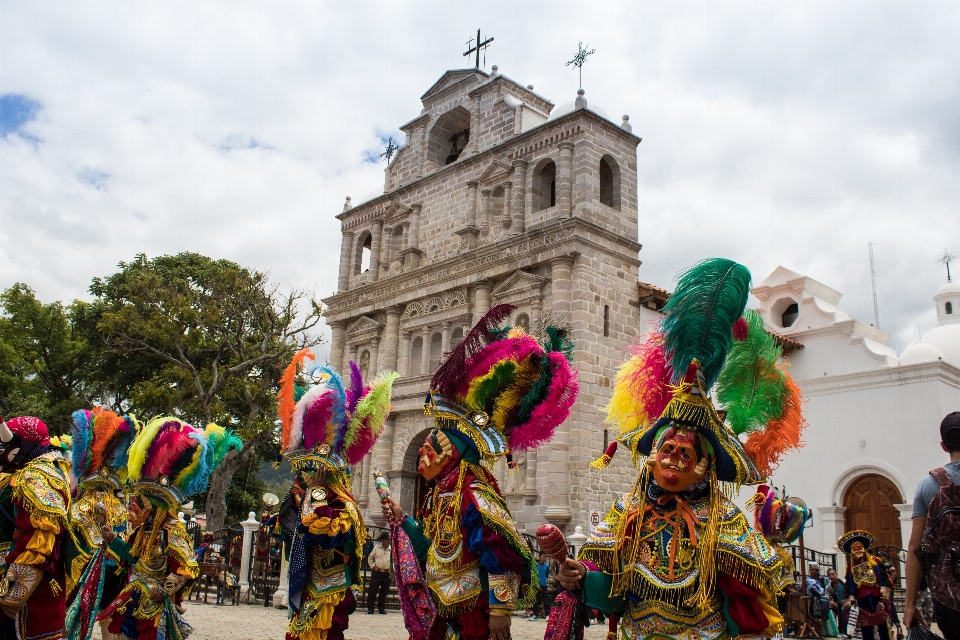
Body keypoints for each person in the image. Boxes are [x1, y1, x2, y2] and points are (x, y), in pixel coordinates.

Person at [558, 259, 799, 640]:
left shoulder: (723, 522)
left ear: (704, 466)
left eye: (686, 454)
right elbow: (614, 593)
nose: (674, 457)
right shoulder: (627, 514)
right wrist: (582, 577)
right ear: (652, 457)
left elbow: (746, 606)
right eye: (668, 448)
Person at [380, 304, 578, 640]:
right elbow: (433, 548)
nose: (421, 459)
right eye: (422, 452)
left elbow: (499, 552)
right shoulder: (441, 495)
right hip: (442, 607)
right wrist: (404, 519)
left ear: (453, 456)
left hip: (475, 614)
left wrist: (500, 611)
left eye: (431, 450)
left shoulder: (474, 492)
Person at [274, 351, 397, 640]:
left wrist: (315, 492)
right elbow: (289, 532)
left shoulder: (340, 504)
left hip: (327, 590)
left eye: (309, 471)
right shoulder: (306, 496)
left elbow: (319, 531)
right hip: (308, 587)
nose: (302, 477)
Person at [98, 419, 241, 640]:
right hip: (134, 596)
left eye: (139, 501)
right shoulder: (143, 531)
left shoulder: (171, 531)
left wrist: (163, 590)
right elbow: (131, 557)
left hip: (154, 607)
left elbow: (187, 568)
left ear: (152, 506)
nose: (132, 505)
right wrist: (111, 540)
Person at [63, 409, 137, 640]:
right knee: (109, 617)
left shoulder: (77, 508)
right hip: (114, 570)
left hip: (82, 571)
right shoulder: (122, 510)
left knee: (72, 614)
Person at [0, 416, 72, 640]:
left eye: (8, 445)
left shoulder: (36, 477)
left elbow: (40, 540)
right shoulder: (40, 469)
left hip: (27, 595)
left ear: (25, 446)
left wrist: (12, 595)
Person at [904, 411, 960, 639]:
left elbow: (915, 548)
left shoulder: (928, 486)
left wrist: (909, 604)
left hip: (948, 598)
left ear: (943, 446)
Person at [841, 530, 891, 640]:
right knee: (866, 627)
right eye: (855, 549)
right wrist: (852, 599)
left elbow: (883, 578)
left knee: (882, 624)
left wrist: (883, 595)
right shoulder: (851, 567)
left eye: (860, 548)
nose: (858, 551)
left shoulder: (875, 562)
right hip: (862, 599)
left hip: (877, 596)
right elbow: (850, 585)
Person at [367, 532, 392, 615]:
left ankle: (381, 607)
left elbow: (395, 562)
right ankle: (370, 607)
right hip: (377, 572)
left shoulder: (391, 550)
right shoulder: (377, 548)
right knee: (372, 590)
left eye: (388, 539)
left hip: (386, 573)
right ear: (382, 540)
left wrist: (391, 570)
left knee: (384, 591)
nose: (387, 541)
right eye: (386, 539)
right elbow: (370, 558)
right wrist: (373, 566)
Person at [826, 567, 851, 638]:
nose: (831, 576)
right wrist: (831, 602)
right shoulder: (828, 587)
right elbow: (828, 598)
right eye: (829, 575)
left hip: (849, 603)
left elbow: (852, 594)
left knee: (843, 609)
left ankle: (845, 631)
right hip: (838, 604)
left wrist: (847, 601)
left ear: (836, 574)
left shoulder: (844, 583)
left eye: (832, 574)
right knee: (831, 610)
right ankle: (835, 631)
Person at [530, 553, 552, 620]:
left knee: (546, 601)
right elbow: (533, 576)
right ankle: (535, 614)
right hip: (536, 586)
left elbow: (547, 574)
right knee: (535, 601)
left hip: (544, 585)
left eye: (545, 556)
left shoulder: (546, 566)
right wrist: (536, 585)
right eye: (543, 556)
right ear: (539, 557)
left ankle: (547, 615)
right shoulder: (535, 565)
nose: (544, 558)